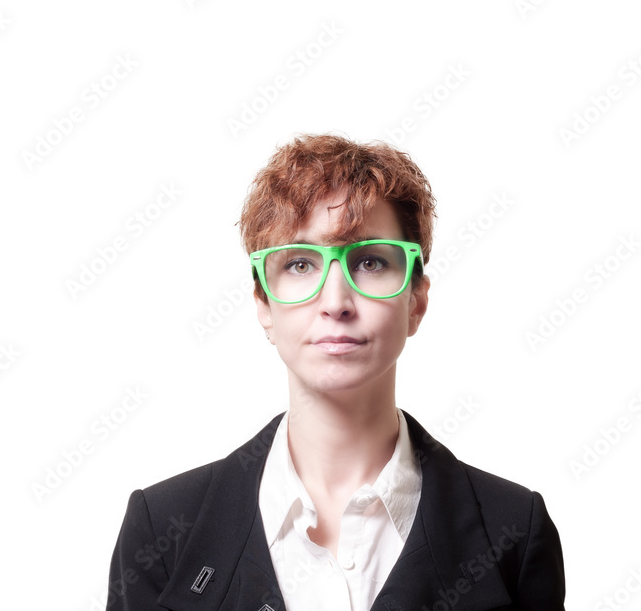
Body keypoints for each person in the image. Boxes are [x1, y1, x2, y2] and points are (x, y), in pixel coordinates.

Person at [107, 134, 566, 611]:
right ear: (263, 304)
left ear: (416, 301)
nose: (335, 302)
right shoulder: (162, 529)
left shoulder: (514, 531)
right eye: (300, 264)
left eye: (370, 262)